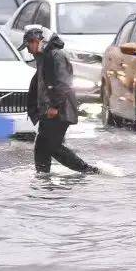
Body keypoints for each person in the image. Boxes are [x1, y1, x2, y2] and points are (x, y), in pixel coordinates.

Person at [22, 26, 98, 174]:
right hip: (48, 110)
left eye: (28, 46)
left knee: (52, 146)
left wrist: (55, 106)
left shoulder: (56, 56)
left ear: (37, 41)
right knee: (41, 146)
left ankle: (87, 170)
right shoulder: (44, 57)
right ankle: (42, 177)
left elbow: (63, 84)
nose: (28, 51)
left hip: (59, 110)